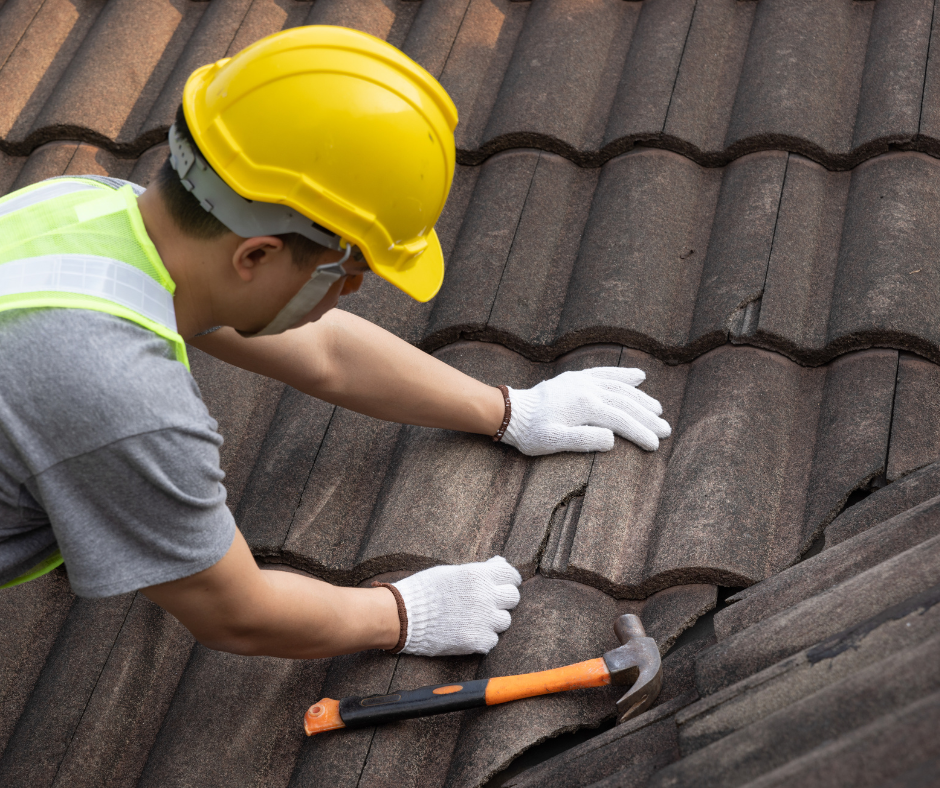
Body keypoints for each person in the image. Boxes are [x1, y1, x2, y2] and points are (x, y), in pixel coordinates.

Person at [0, 27, 670, 660]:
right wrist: (402, 613)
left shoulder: (88, 207)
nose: (345, 296)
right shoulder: (119, 397)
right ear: (255, 255)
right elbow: (236, 612)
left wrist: (508, 409)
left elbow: (325, 353)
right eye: (345, 274)